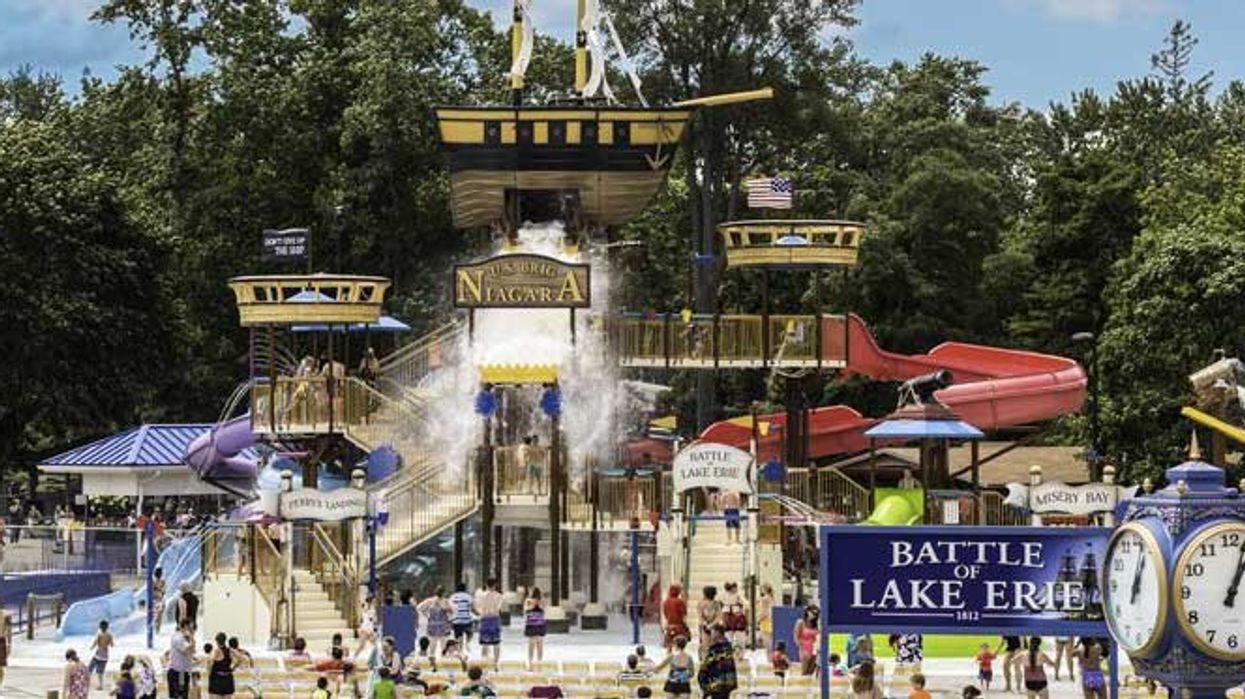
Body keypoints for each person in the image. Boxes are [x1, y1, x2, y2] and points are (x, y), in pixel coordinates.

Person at [697, 625, 737, 699]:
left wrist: (703, 683)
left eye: (713, 632)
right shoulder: (727, 646)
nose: (711, 635)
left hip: (717, 683)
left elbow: (705, 666)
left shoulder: (716, 648)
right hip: (727, 683)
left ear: (717, 633)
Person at [164, 618, 196, 699]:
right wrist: (192, 640)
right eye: (190, 627)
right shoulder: (178, 638)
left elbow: (192, 651)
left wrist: (191, 641)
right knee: (178, 696)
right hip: (177, 673)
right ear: (185, 627)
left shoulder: (185, 638)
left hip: (183, 672)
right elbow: (186, 651)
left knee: (184, 695)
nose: (192, 630)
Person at [475, 578, 504, 665]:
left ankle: (484, 663)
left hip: (484, 619)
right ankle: (495, 664)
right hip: (495, 619)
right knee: (496, 643)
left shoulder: (481, 595)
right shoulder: (499, 596)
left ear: (486, 585)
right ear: (495, 585)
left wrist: (482, 612)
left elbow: (477, 607)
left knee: (485, 644)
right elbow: (498, 608)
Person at [418, 587, 454, 655]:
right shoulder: (434, 601)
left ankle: (435, 660)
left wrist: (427, 616)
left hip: (436, 625)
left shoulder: (431, 601)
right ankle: (441, 660)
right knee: (437, 645)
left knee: (435, 646)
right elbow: (451, 611)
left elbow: (420, 607)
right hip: (441, 625)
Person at [718, 582, 748, 649]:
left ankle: (730, 652)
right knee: (738, 636)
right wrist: (743, 611)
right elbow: (746, 603)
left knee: (729, 636)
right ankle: (738, 652)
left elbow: (718, 604)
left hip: (728, 615)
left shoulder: (722, 595)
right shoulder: (737, 595)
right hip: (734, 615)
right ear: (733, 588)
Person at [662, 584, 689, 651]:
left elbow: (665, 614)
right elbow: (684, 615)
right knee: (680, 646)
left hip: (670, 625)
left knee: (669, 646)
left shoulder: (665, 602)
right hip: (679, 626)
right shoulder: (680, 602)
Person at [208, 632, 235, 699]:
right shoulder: (230, 650)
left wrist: (209, 673)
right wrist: (233, 668)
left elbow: (210, 662)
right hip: (228, 678)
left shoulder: (216, 651)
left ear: (216, 641)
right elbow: (242, 659)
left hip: (217, 679)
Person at [793, 605, 819, 676]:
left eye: (816, 614)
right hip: (804, 648)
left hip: (813, 648)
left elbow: (816, 637)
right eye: (813, 612)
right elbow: (796, 637)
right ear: (807, 611)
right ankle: (801, 686)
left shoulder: (815, 624)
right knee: (804, 671)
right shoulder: (800, 622)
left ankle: (808, 686)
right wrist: (801, 648)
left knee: (810, 672)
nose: (814, 615)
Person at [524, 587, 547, 666]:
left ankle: (533, 662)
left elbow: (543, 609)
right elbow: (526, 610)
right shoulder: (529, 601)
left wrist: (539, 603)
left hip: (535, 624)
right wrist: (534, 604)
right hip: (535, 624)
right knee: (536, 644)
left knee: (535, 644)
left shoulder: (541, 601)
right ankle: (536, 662)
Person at [89, 619, 114, 689]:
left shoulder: (99, 634)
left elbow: (95, 642)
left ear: (100, 627)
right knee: (100, 672)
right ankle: (100, 685)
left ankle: (86, 682)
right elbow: (112, 645)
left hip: (98, 654)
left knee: (90, 668)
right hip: (105, 655)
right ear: (107, 627)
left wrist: (91, 647)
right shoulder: (109, 635)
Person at [697, 586, 722, 653]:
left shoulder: (701, 603)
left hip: (706, 626)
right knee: (712, 645)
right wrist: (711, 624)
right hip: (712, 626)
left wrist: (706, 623)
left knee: (706, 645)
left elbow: (700, 616)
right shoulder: (716, 604)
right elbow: (719, 616)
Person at [450, 581, 475, 646]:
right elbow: (471, 608)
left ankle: (460, 648)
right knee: (470, 633)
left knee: (458, 637)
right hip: (467, 620)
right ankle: (467, 643)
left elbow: (451, 608)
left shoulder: (453, 597)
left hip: (456, 620)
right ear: (465, 589)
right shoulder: (468, 596)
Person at [756, 583, 774, 650]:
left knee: (766, 641)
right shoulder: (771, 598)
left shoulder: (764, 599)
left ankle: (769, 658)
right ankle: (771, 658)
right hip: (771, 619)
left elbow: (764, 612)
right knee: (770, 640)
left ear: (764, 589)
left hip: (765, 620)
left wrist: (758, 619)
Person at [152, 567, 167, 633]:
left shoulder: (154, 582)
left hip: (157, 600)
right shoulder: (159, 582)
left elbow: (164, 591)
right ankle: (157, 629)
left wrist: (157, 589)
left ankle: (157, 629)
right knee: (158, 616)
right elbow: (164, 591)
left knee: (157, 616)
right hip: (159, 600)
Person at [0, 610, 11, 689]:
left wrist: (9, 644)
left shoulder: (5, 615)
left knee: (1, 666)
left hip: (1, 641)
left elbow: (8, 631)